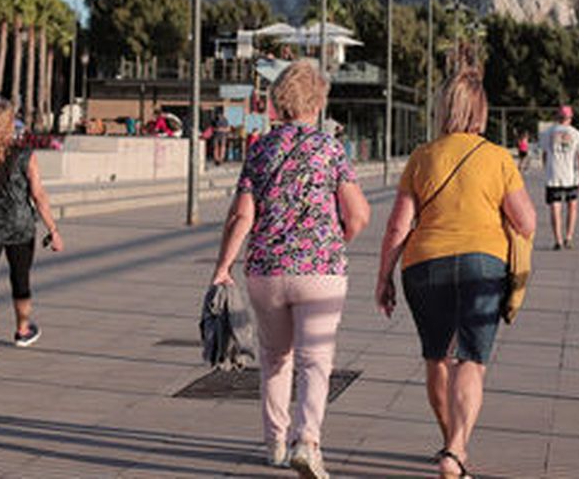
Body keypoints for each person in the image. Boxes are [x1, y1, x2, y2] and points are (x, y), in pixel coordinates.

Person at [211, 61, 370, 478]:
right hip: (320, 270)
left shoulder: (260, 149)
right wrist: (332, 244)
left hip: (265, 270)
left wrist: (222, 267)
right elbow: (359, 215)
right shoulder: (331, 149)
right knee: (316, 360)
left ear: (280, 101)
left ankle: (274, 443)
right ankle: (307, 441)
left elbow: (241, 216)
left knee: (274, 357)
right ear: (317, 102)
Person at [377, 67, 536, 479]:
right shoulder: (499, 158)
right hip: (483, 264)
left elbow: (398, 226)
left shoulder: (422, 156)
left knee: (436, 356)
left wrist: (383, 278)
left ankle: (452, 442)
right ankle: (456, 450)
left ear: (443, 109)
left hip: (423, 266)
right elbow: (528, 221)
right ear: (481, 112)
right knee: (472, 360)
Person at [0, 98, 64, 353]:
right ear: (10, 125)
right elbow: (38, 195)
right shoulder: (24, 155)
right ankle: (22, 330)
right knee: (20, 279)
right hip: (20, 226)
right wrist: (53, 230)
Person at [538, 105, 579, 250]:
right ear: (570, 118)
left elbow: (545, 154)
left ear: (557, 117)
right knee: (572, 206)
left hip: (553, 175)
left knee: (555, 208)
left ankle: (558, 239)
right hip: (571, 176)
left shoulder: (548, 133)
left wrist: (546, 168)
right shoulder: (577, 134)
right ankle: (569, 237)